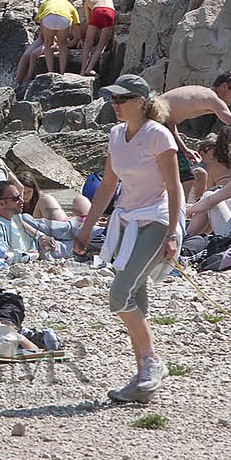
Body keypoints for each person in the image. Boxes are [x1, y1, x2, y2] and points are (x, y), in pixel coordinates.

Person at [74, 74, 181, 404]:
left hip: (158, 221)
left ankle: (152, 363)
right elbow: (107, 187)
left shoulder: (158, 135)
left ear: (141, 101)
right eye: (113, 100)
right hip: (128, 222)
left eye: (122, 100)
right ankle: (141, 380)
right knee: (136, 296)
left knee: (120, 294)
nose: (115, 105)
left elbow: (175, 187)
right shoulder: (116, 135)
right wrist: (87, 227)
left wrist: (174, 232)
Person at [35, 0, 79, 76]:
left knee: (48, 43)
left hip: (48, 18)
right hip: (63, 19)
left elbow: (39, 19)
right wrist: (76, 39)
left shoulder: (47, 2)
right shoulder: (69, 4)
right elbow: (76, 24)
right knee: (62, 44)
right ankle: (62, 72)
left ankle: (50, 72)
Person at [79, 0, 116, 77]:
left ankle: (83, 70)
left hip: (96, 11)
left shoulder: (88, 1)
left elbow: (88, 21)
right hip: (110, 13)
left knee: (88, 44)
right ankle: (89, 68)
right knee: (101, 45)